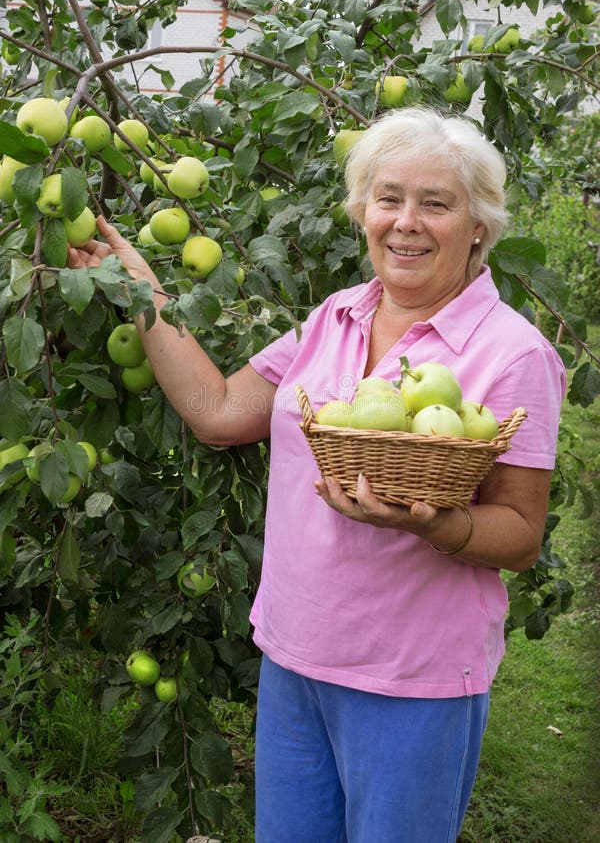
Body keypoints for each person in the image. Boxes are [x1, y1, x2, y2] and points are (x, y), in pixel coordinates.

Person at [68, 106, 565, 843]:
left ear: (479, 226)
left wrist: (438, 523)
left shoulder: (512, 354)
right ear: (363, 211)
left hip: (411, 679)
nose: (406, 222)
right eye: (388, 198)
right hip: (296, 656)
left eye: (436, 203)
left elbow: (521, 535)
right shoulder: (336, 316)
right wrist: (143, 293)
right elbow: (219, 408)